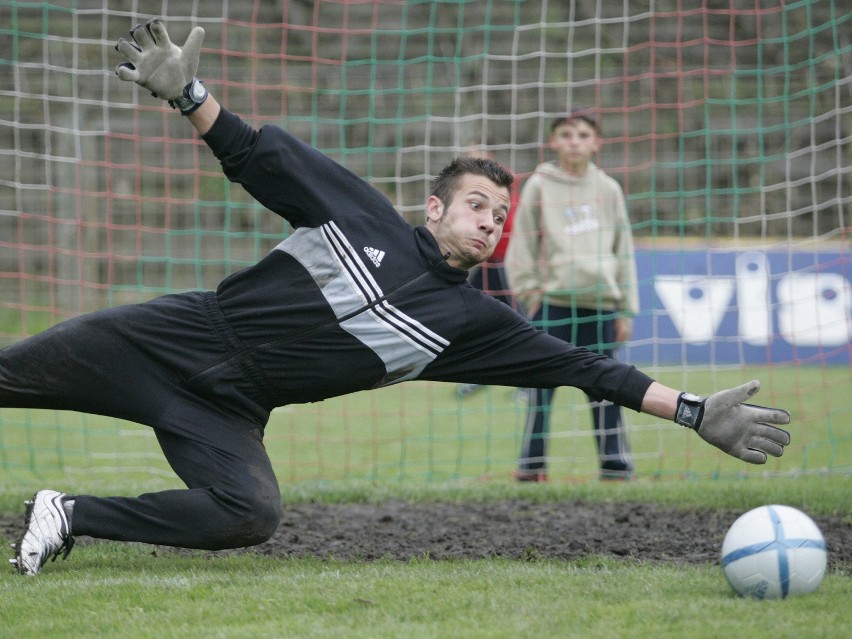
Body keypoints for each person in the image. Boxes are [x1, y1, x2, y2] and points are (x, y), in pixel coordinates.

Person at [4, 19, 791, 576]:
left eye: (501, 214)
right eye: (479, 204)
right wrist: (188, 94)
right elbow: (250, 153)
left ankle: (69, 513)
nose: (492, 220)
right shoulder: (358, 212)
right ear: (436, 206)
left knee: (250, 513)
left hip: (230, 408)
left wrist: (694, 412)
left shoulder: (471, 323)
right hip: (169, 337)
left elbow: (587, 368)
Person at [506, 109, 640, 481]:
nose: (574, 141)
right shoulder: (539, 185)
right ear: (553, 142)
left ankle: (614, 464)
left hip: (599, 308)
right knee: (540, 390)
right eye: (566, 134)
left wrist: (625, 309)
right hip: (553, 306)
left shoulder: (608, 188)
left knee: (608, 388)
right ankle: (532, 467)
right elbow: (523, 247)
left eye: (582, 134)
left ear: (596, 142)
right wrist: (531, 295)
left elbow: (623, 249)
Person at [455, 143, 518, 399]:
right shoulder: (468, 189)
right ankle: (479, 374)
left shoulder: (503, 185)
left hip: (502, 260)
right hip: (483, 261)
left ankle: (524, 381)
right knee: (471, 314)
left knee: (516, 318)